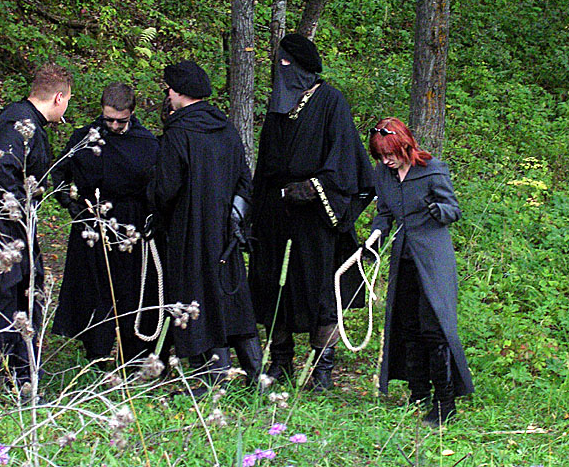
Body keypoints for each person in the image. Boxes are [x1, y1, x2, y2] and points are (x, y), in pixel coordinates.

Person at [249, 33, 375, 391]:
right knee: (275, 284)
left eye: (287, 63)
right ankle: (281, 361)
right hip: (276, 214)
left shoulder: (331, 102)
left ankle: (321, 371)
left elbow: (346, 162)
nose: (282, 69)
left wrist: (311, 188)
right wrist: (256, 211)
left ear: (303, 67)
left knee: (320, 289)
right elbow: (266, 165)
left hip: (316, 216)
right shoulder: (278, 106)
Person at [149, 60, 262, 392]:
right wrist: (235, 219)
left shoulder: (178, 133)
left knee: (197, 298)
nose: (168, 94)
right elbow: (244, 180)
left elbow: (166, 189)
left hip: (191, 233)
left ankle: (210, 378)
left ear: (180, 92)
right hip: (225, 231)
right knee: (230, 297)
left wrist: (153, 205)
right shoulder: (225, 129)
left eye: (170, 89)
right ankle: (255, 374)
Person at [0, 63, 73, 395]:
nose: (66, 108)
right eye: (67, 101)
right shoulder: (18, 126)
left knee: (24, 302)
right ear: (58, 98)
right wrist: (10, 233)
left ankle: (22, 378)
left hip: (12, 232)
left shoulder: (25, 123)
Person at [367, 117, 474, 426]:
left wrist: (437, 209)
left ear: (404, 145)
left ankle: (445, 403)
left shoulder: (432, 169)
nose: (386, 161)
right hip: (403, 259)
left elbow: (453, 210)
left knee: (434, 328)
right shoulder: (383, 174)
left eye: (390, 154)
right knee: (408, 326)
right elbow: (384, 214)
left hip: (434, 259)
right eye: (380, 155)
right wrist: (373, 240)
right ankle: (418, 393)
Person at [51, 82, 163, 367]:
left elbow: (158, 186)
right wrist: (71, 203)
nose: (113, 125)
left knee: (131, 288)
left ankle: (133, 352)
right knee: (94, 286)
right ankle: (96, 350)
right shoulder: (85, 138)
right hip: (92, 220)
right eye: (108, 119)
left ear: (131, 113)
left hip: (131, 223)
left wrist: (152, 215)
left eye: (120, 121)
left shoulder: (147, 143)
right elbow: (59, 172)